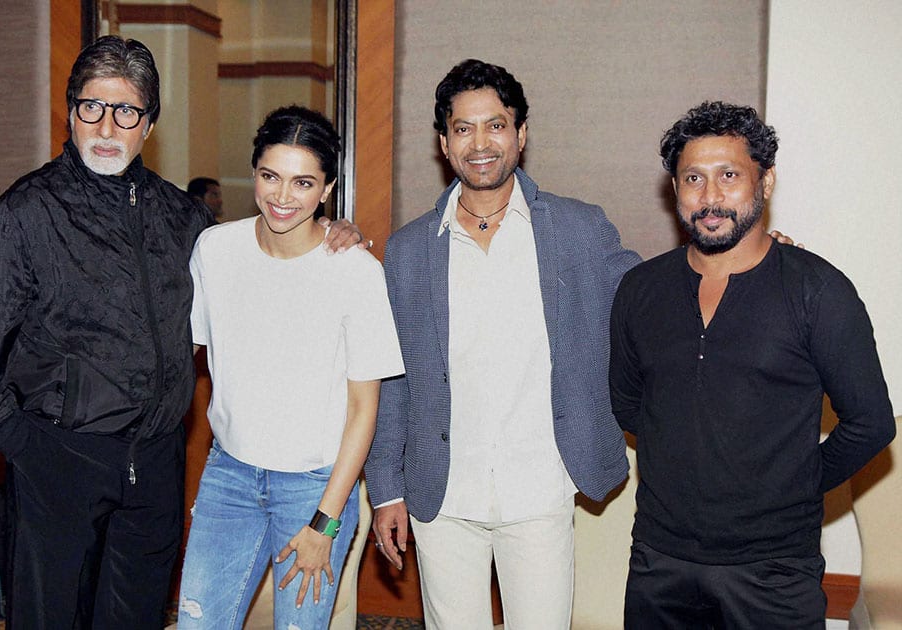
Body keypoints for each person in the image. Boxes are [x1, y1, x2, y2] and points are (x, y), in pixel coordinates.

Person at [0, 36, 363, 629]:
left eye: (127, 111)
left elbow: (262, 259)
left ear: (149, 124)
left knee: (137, 615)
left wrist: (332, 232)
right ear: (70, 112)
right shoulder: (20, 216)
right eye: (92, 107)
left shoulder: (186, 220)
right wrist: (36, 452)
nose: (107, 126)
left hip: (157, 467)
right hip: (59, 461)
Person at [363, 59, 642, 629]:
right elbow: (391, 380)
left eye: (496, 125)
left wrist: (745, 258)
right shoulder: (410, 250)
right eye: (463, 128)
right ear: (443, 142)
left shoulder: (577, 230)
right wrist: (386, 488)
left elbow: (650, 299)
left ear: (521, 134)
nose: (480, 143)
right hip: (442, 494)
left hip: (540, 487)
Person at [609, 101, 896, 629]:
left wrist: (795, 483)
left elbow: (871, 423)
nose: (710, 196)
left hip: (774, 571)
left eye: (729, 176)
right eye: (693, 177)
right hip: (660, 561)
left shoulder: (818, 291)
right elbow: (628, 404)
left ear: (764, 184)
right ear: (674, 190)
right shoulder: (640, 289)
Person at [176, 106, 404, 629]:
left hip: (315, 488)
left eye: (303, 182)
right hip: (228, 477)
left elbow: (363, 409)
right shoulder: (215, 250)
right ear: (253, 172)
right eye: (270, 177)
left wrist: (325, 523)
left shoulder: (356, 271)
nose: (282, 197)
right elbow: (181, 355)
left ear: (327, 189)